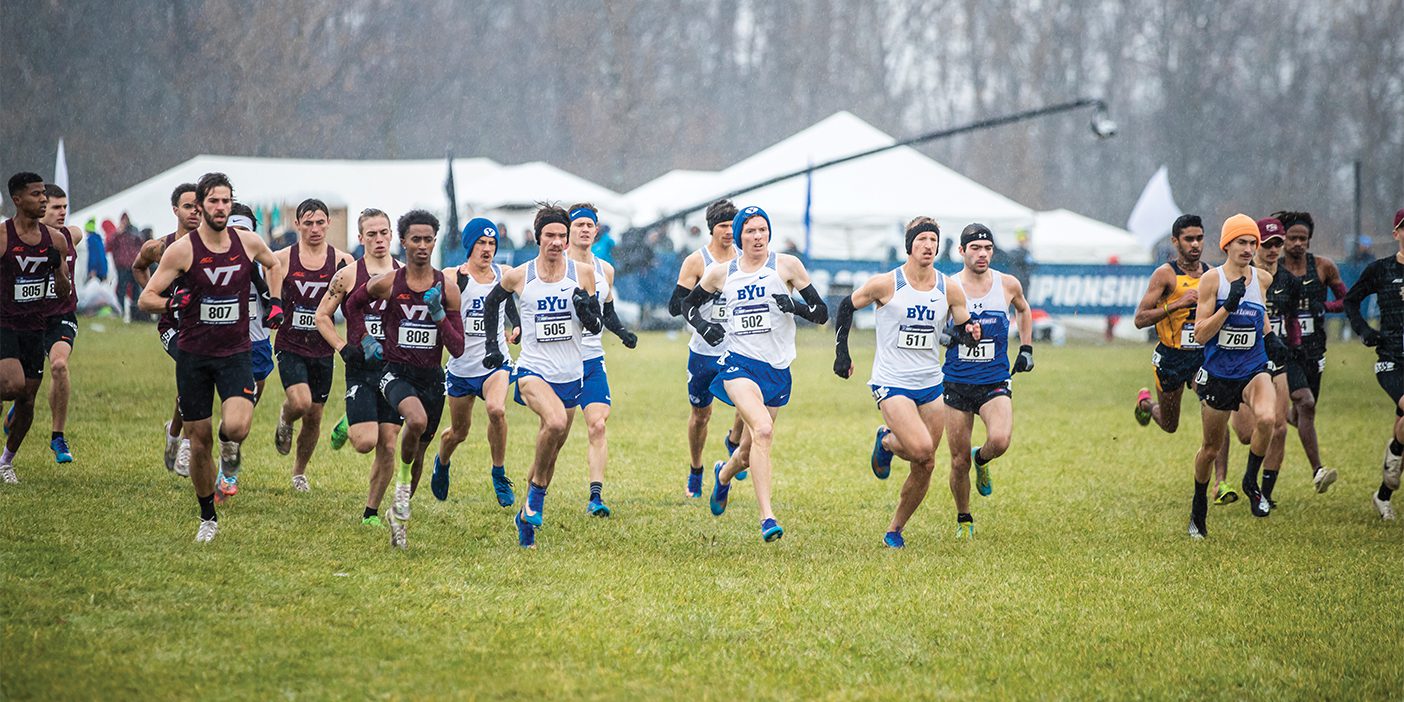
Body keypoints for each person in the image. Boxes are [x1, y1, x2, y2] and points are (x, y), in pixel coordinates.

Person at [136, 172, 282, 542]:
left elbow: (274, 264)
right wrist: (173, 302)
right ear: (200, 205)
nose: (220, 208)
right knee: (199, 441)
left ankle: (229, 448)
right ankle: (207, 517)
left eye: (226, 201)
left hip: (235, 353)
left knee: (237, 427)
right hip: (194, 356)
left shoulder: (247, 241)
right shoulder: (182, 250)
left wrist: (276, 302)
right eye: (214, 201)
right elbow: (146, 298)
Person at [681, 205, 828, 543]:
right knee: (762, 430)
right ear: (739, 235)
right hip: (739, 364)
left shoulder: (787, 266)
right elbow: (688, 305)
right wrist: (705, 327)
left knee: (747, 453)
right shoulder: (722, 272)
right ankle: (767, 518)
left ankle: (723, 474)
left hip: (776, 369)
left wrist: (795, 307)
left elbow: (821, 313)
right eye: (750, 231)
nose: (757, 236)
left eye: (762, 230)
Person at [832, 217, 979, 548]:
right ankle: (886, 441)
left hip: (930, 382)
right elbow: (846, 306)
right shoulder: (886, 283)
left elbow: (959, 330)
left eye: (933, 240)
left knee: (926, 463)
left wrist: (970, 333)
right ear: (909, 245)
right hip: (892, 381)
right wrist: (842, 353)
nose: (928, 245)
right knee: (922, 448)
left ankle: (894, 530)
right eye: (922, 239)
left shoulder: (949, 288)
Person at [480, 204, 604, 548]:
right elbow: (493, 304)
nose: (556, 242)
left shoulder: (583, 273)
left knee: (551, 451)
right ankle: (534, 500)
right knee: (554, 423)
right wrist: (494, 345)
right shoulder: (520, 275)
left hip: (570, 374)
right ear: (538, 237)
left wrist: (585, 310)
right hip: (533, 370)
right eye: (550, 235)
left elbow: (596, 324)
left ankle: (528, 516)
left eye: (561, 236)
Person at [366, 210, 465, 549]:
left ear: (434, 242)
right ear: (403, 241)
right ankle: (400, 491)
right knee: (416, 420)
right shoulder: (388, 282)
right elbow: (352, 305)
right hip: (395, 372)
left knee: (420, 454)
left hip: (431, 379)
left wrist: (438, 315)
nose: (422, 246)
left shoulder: (448, 288)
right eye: (416, 239)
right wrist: (362, 341)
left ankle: (400, 513)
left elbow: (458, 347)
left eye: (428, 240)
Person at [1186, 214, 1289, 539]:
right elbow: (1201, 335)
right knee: (1210, 449)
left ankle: (1250, 481)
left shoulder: (1262, 278)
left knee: (1268, 418)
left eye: (1252, 243)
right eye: (1241, 242)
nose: (1248, 248)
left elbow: (1261, 315)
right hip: (1218, 373)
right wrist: (1226, 307)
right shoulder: (1212, 280)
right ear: (1226, 244)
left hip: (1253, 367)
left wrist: (1270, 336)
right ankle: (1198, 505)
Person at [941, 224, 1034, 539]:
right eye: (976, 248)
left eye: (988, 248)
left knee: (1001, 440)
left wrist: (1026, 348)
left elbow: (1023, 310)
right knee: (957, 460)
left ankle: (982, 458)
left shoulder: (1007, 284)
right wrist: (959, 335)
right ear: (962, 251)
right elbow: (938, 333)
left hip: (994, 379)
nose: (982, 254)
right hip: (956, 382)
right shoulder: (948, 287)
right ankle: (964, 518)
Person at [316, 208, 402, 527]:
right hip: (361, 369)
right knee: (366, 442)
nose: (378, 239)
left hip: (395, 371)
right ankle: (348, 423)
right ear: (360, 237)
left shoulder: (406, 273)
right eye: (372, 234)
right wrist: (342, 347)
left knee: (389, 442)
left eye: (383, 233)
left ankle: (371, 512)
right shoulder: (349, 275)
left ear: (391, 235)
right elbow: (321, 316)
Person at [431, 218, 521, 507]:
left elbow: (512, 300)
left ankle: (498, 473)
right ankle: (442, 462)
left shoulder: (504, 274)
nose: (487, 249)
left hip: (495, 363)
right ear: (469, 245)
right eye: (481, 243)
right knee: (459, 432)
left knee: (496, 410)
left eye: (492, 243)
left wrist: (517, 325)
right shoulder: (452, 276)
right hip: (460, 367)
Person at [266, 199, 353, 492]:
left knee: (315, 416)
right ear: (297, 224)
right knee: (301, 403)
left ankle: (299, 473)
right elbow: (263, 289)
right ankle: (285, 416)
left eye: (319, 222)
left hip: (323, 346)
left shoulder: (343, 261)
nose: (314, 229)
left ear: (328, 223)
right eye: (308, 223)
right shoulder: (282, 258)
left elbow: (357, 302)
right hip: (291, 343)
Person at [564, 203, 639, 516]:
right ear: (568, 229)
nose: (584, 229)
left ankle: (595, 496)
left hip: (593, 359)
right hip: (560, 361)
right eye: (578, 224)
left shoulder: (605, 269)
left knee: (597, 424)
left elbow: (606, 312)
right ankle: (537, 491)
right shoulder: (556, 266)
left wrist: (622, 333)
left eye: (589, 225)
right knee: (555, 432)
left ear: (596, 230)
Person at [668, 199, 745, 498]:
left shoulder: (746, 257)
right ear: (712, 228)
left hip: (739, 348)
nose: (728, 232)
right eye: (723, 226)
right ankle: (696, 470)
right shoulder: (697, 261)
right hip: (703, 351)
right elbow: (676, 306)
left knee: (751, 399)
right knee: (701, 415)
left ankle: (734, 440)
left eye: (732, 226)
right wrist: (704, 312)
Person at [0, 173, 72, 484]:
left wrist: (57, 267)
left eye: (44, 194)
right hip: (4, 324)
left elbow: (64, 291)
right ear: (17, 199)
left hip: (34, 327)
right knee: (12, 385)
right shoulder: (3, 237)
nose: (43, 199)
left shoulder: (55, 240)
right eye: (35, 194)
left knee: (27, 400)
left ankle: (6, 461)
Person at [211, 203, 279, 502]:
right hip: (220, 348)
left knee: (242, 420)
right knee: (229, 415)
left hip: (257, 346)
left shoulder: (264, 263)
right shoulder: (211, 261)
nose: (238, 238)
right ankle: (223, 471)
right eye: (233, 231)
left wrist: (276, 303)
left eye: (244, 232)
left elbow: (278, 288)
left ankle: (229, 451)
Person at [131, 183, 200, 477]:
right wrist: (159, 299)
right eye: (188, 206)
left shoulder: (215, 245)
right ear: (175, 210)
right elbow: (138, 266)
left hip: (205, 328)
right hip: (173, 327)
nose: (195, 212)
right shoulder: (159, 246)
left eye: (199, 206)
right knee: (193, 371)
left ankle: (173, 433)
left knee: (193, 380)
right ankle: (185, 446)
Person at [1274, 210, 1345, 484]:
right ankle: (1318, 471)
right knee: (1306, 401)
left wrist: (1324, 307)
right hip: (1285, 348)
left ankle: (1291, 421)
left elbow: (1346, 300)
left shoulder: (1324, 267)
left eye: (1303, 238)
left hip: (1315, 350)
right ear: (1283, 240)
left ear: (1310, 241)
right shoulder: (1274, 269)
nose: (1298, 243)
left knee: (1305, 410)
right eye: (1292, 238)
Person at [1343, 208, 1404, 521]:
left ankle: (1384, 493)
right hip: (1391, 360)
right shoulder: (1380, 270)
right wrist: (1365, 331)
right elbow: (1350, 300)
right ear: (1396, 234)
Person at [1132, 216, 1208, 434]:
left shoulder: (1211, 273)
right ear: (1176, 241)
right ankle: (1145, 403)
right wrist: (1175, 305)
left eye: (1199, 238)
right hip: (1171, 357)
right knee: (1169, 425)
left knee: (1215, 411)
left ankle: (1221, 471)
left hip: (1202, 356)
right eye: (1189, 239)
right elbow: (1140, 319)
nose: (1195, 244)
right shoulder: (1165, 274)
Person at [36, 184, 85, 464]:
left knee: (59, 365)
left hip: (62, 316)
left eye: (65, 207)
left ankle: (58, 436)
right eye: (56, 207)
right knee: (20, 388)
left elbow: (76, 234)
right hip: (28, 319)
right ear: (41, 209)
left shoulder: (72, 235)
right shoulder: (22, 239)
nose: (62, 212)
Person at [108, 212, 145, 321]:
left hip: (133, 266)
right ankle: (121, 311)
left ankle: (136, 313)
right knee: (121, 289)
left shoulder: (134, 233)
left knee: (135, 290)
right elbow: (109, 245)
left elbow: (141, 244)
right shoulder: (118, 235)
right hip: (122, 266)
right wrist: (118, 233)